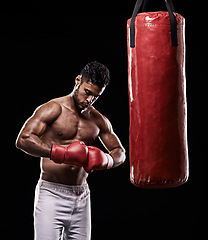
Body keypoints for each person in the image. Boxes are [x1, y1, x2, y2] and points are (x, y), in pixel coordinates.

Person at [16, 61, 126, 240]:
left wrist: (107, 160)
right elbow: (23, 139)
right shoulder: (53, 108)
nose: (89, 100)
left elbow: (119, 152)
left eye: (96, 97)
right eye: (87, 93)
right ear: (78, 81)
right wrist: (61, 153)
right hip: (51, 193)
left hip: (81, 195)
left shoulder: (98, 119)